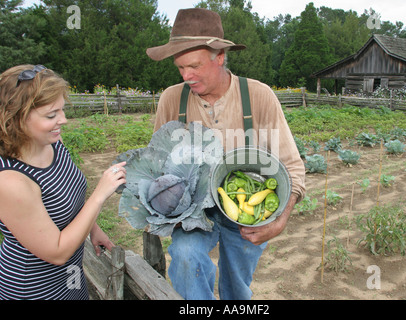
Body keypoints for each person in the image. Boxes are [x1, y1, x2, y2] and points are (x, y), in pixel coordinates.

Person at [146, 8, 306, 300]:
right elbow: (157, 161)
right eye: (180, 68)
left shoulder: (258, 96)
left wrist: (280, 220)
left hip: (245, 211)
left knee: (236, 287)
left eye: (194, 66)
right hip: (193, 212)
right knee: (184, 257)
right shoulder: (171, 99)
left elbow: (292, 166)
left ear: (219, 56)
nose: (186, 76)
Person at [0, 64, 126, 300]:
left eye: (62, 110)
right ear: (16, 118)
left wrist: (92, 228)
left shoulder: (52, 144)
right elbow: (56, 252)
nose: (64, 120)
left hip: (70, 277)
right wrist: (100, 195)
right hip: (34, 289)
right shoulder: (10, 181)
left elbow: (69, 197)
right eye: (51, 115)